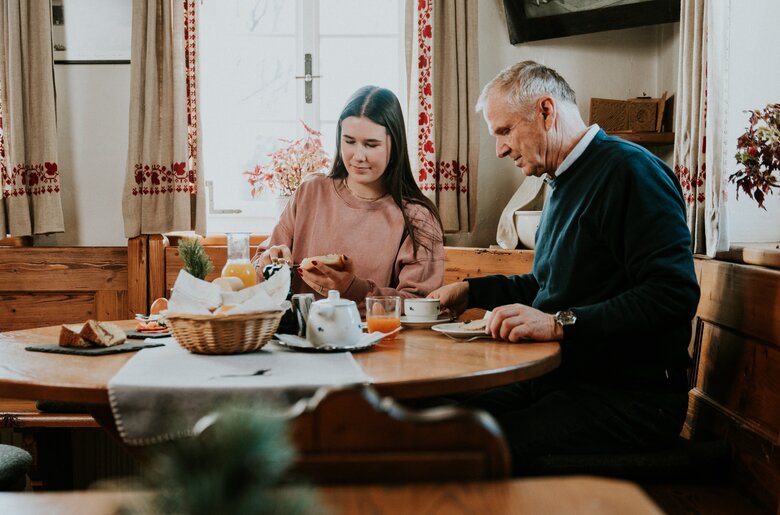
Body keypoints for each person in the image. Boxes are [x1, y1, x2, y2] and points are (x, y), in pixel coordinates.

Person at [428, 61, 700, 473]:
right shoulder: (559, 182)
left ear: (545, 111)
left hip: (631, 400)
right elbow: (549, 285)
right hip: (564, 380)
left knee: (464, 448)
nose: (500, 149)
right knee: (431, 415)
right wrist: (472, 293)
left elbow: (673, 294)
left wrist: (560, 324)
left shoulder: (632, 171)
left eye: (504, 131)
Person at [254, 86, 444, 302]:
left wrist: (354, 289)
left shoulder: (418, 218)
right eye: (350, 141)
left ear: (395, 145)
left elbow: (419, 305)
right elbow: (260, 271)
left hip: (377, 335)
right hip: (297, 334)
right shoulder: (310, 192)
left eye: (372, 145)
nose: (358, 156)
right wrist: (266, 264)